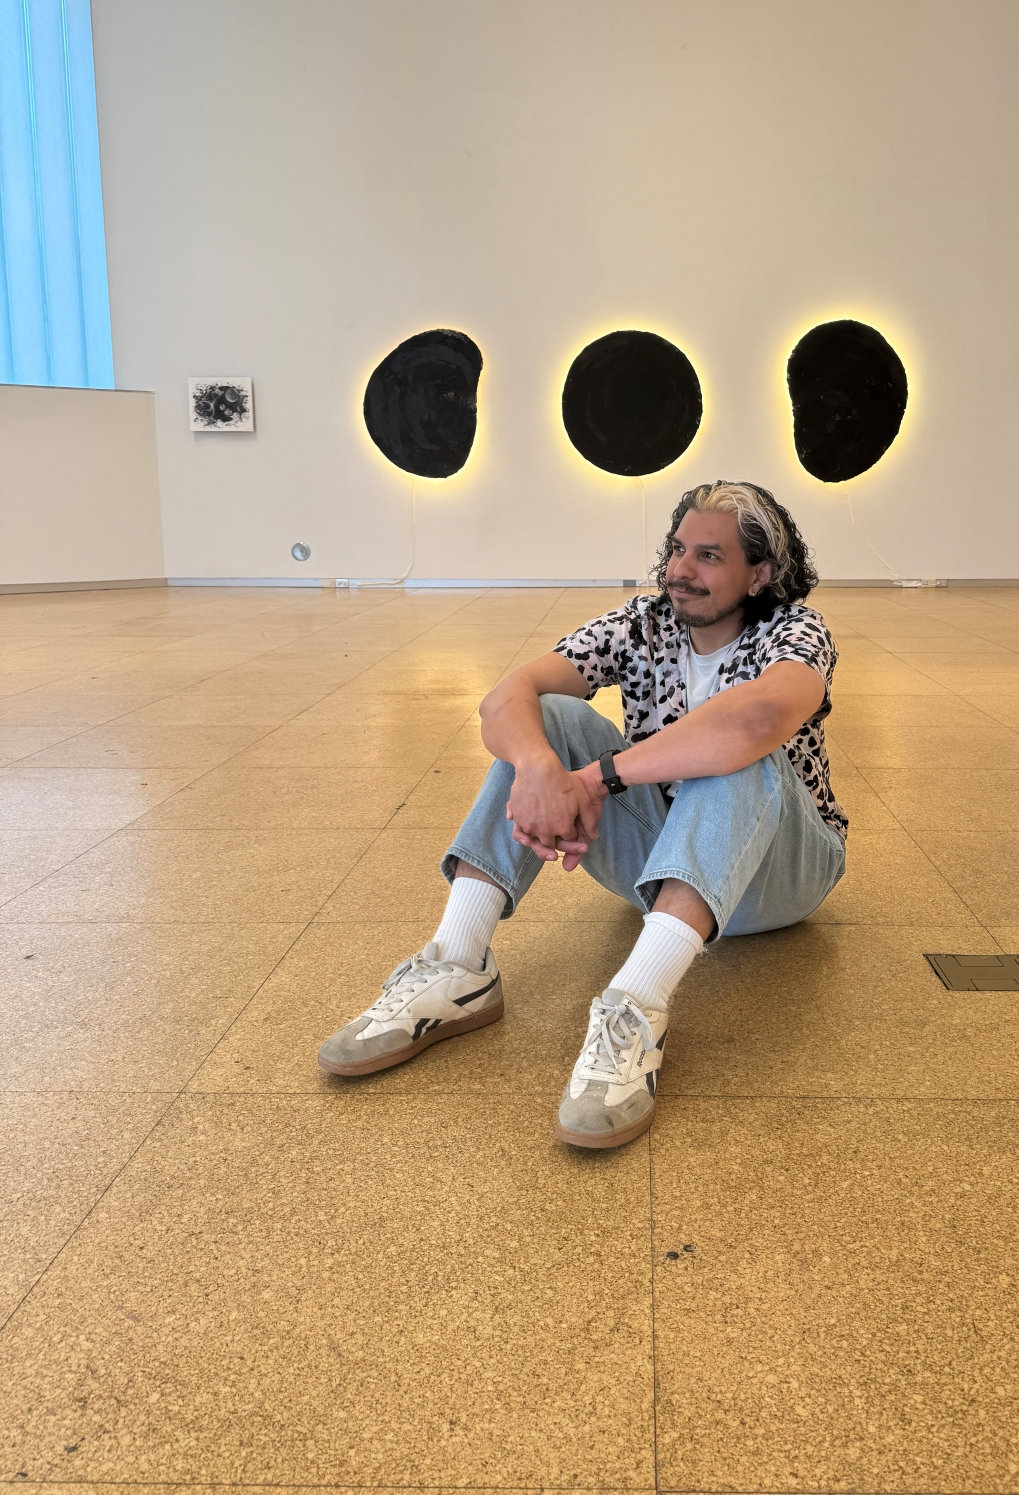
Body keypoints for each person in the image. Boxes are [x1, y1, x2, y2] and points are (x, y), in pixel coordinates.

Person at [318, 480, 848, 1149]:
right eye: (678, 549)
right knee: (548, 718)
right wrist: (541, 770)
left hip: (783, 869)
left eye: (709, 556)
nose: (681, 569)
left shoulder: (795, 629)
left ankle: (636, 1003)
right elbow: (507, 696)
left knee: (734, 747)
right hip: (664, 858)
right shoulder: (643, 622)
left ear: (760, 573)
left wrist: (599, 776)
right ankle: (458, 964)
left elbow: (761, 717)